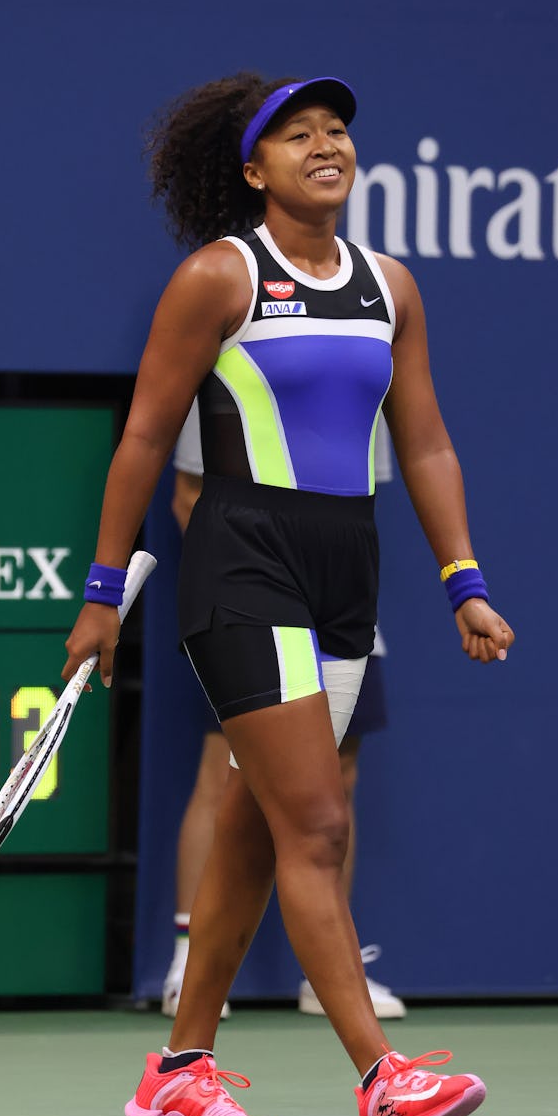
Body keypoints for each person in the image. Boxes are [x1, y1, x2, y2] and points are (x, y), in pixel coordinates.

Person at [62, 72, 514, 1116]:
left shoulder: (390, 286)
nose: (327, 146)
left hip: (343, 568)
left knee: (261, 835)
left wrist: (464, 578)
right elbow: (141, 438)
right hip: (242, 558)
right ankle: (383, 1081)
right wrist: (102, 591)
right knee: (317, 822)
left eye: (339, 132)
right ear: (253, 171)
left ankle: (178, 1074)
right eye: (297, 135)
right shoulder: (220, 277)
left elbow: (427, 443)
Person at [162, 405, 406, 1021]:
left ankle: (324, 973)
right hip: (249, 604)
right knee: (227, 774)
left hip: (341, 606)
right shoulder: (234, 366)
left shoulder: (367, 363)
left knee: (335, 782)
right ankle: (187, 962)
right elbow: (187, 497)